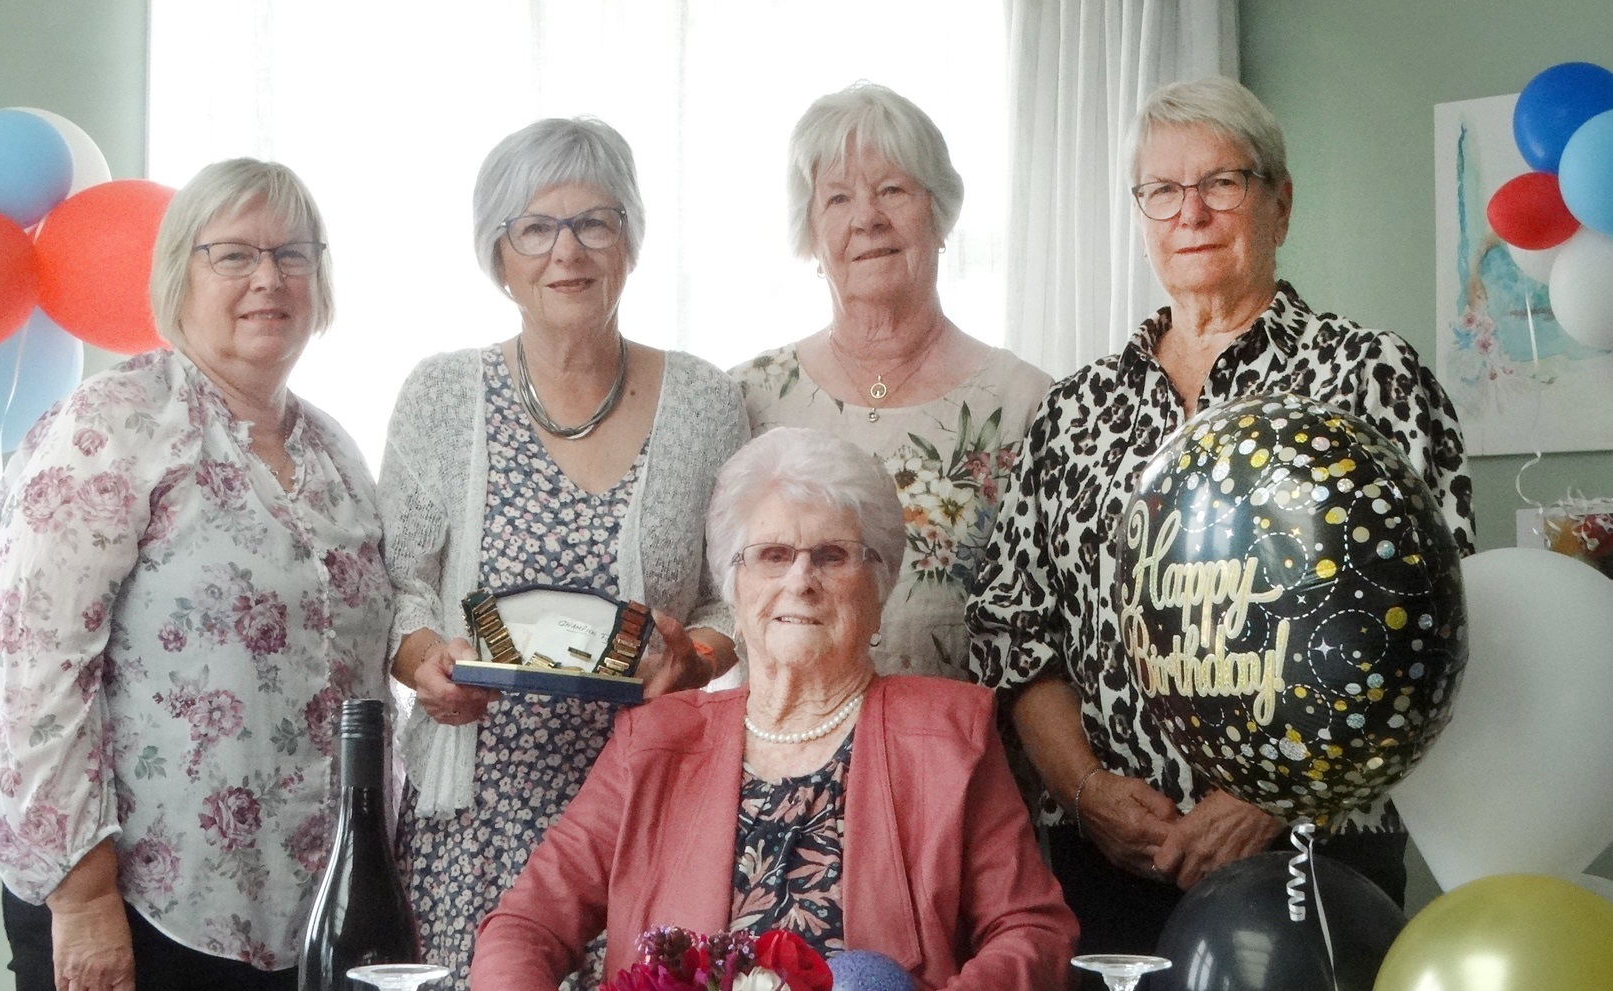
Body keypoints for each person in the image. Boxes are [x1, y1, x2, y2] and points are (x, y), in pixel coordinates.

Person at [967, 76, 1478, 956]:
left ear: (1279, 203)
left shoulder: (1368, 376)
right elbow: (1014, 629)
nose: (1190, 213)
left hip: (1315, 855)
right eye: (1162, 190)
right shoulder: (1074, 408)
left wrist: (1267, 796)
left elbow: (1428, 628)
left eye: (1221, 183)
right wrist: (1087, 793)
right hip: (1109, 863)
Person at [0, 159, 392, 991]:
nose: (268, 278)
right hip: (134, 913)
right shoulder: (113, 425)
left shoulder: (336, 451)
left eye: (292, 254)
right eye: (234, 254)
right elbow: (35, 669)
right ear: (177, 275)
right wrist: (84, 897)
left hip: (308, 916)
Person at [468, 427, 1078, 991]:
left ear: (879, 588)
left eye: (832, 555)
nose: (801, 580)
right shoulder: (651, 742)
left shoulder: (949, 734)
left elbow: (1032, 931)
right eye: (773, 555)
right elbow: (526, 925)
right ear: (733, 590)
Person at [377, 117, 748, 989]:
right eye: (535, 228)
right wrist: (427, 662)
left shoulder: (706, 400)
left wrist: (694, 660)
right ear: (497, 255)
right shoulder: (441, 394)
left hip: (647, 811)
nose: (566, 251)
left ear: (630, 240)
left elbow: (736, 593)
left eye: (594, 223)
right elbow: (397, 586)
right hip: (474, 817)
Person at [731, 83, 1052, 681]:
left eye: (892, 190)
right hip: (781, 734)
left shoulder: (1025, 403)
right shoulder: (747, 400)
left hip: (964, 737)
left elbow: (1047, 629)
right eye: (838, 198)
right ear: (811, 233)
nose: (867, 218)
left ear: (939, 213)